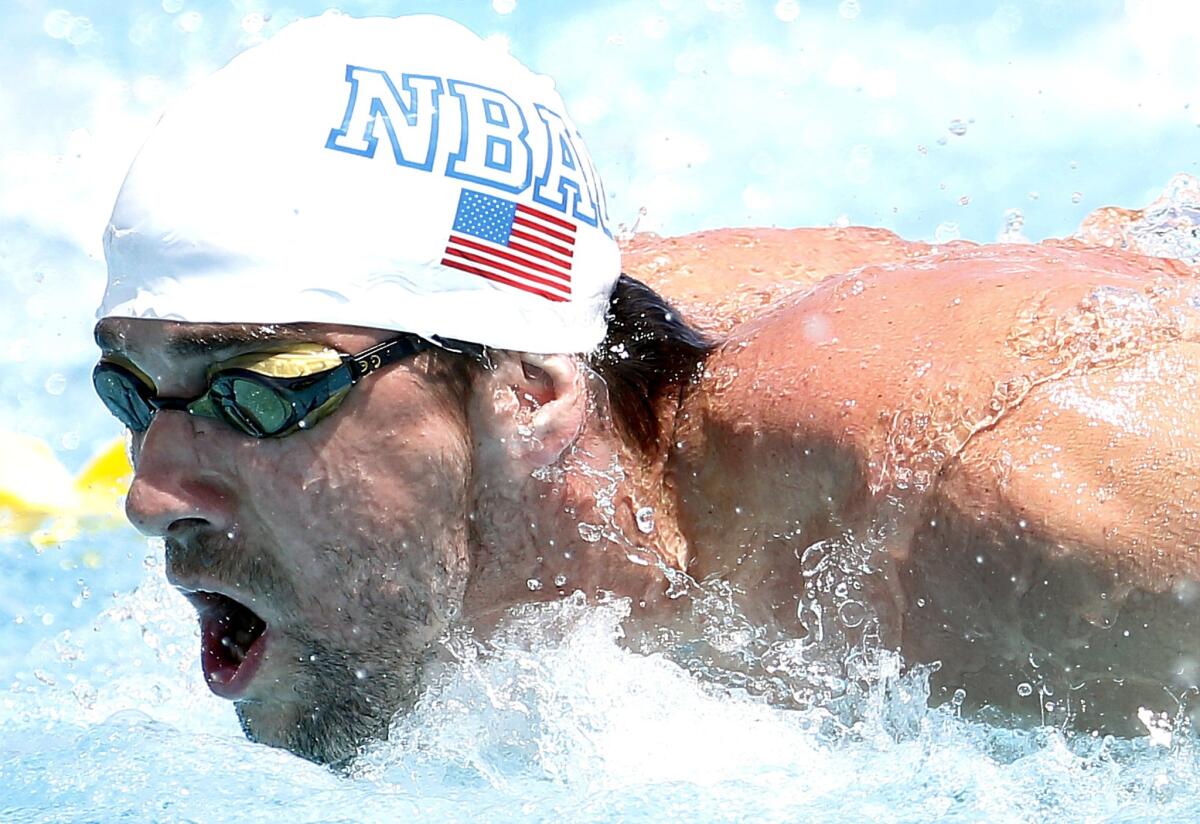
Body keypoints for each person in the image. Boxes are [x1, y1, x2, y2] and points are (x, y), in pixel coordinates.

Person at [92, 13, 1200, 765]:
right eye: (134, 393)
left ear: (528, 390)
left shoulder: (1021, 495)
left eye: (263, 388)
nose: (153, 492)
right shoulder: (504, 345)